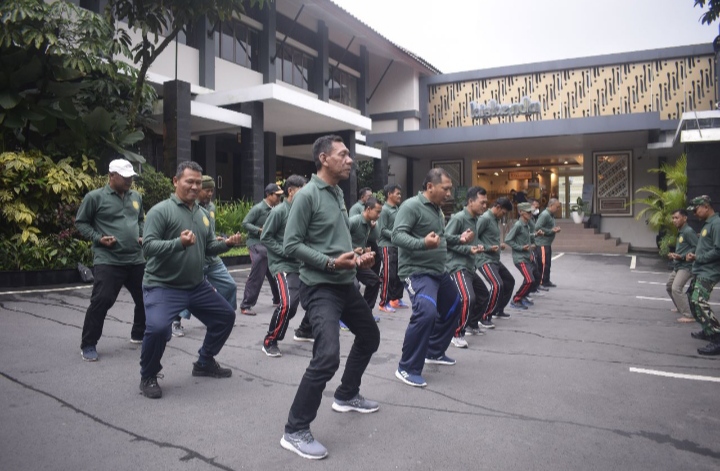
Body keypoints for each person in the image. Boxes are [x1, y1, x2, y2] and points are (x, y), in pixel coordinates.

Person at [280, 135, 380, 460]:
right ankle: (295, 430)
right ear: (324, 158)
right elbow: (291, 245)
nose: (350, 160)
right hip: (320, 287)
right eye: (343, 154)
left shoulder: (337, 192)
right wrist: (330, 263)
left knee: (369, 336)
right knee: (326, 356)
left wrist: (356, 256)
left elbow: (331, 240)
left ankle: (347, 394)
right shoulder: (307, 195)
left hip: (344, 283)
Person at [138, 161, 243, 399]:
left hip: (196, 286)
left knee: (225, 317)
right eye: (190, 182)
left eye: (198, 182)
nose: (195, 187)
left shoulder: (202, 214)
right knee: (158, 329)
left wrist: (227, 244)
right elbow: (148, 247)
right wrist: (179, 243)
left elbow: (208, 248)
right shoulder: (160, 211)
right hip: (163, 285)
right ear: (176, 181)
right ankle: (148, 375)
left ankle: (204, 362)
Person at [393, 168, 474, 388]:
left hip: (438, 271)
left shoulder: (437, 209)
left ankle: (434, 351)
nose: (449, 193)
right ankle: (407, 367)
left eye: (450, 189)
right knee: (426, 312)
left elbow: (441, 236)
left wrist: (460, 239)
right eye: (445, 189)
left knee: (454, 305)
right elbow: (397, 235)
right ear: (430, 187)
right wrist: (422, 243)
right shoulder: (411, 206)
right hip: (417, 272)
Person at [76, 159, 146, 361]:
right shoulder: (95, 197)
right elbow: (81, 223)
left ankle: (138, 333)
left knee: (146, 297)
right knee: (102, 300)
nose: (129, 181)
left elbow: (140, 219)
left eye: (131, 177)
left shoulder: (136, 197)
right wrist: (98, 238)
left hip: (135, 258)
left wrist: (142, 234)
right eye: (125, 177)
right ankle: (88, 344)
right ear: (111, 176)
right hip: (108, 259)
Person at [172, 175, 238, 337]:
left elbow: (209, 232)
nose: (210, 194)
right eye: (207, 190)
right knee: (188, 292)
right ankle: (175, 322)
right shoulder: (185, 208)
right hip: (194, 258)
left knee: (230, 285)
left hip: (212, 258)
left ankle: (225, 315)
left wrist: (221, 240)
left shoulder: (211, 208)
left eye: (212, 191)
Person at [261, 175, 313, 357]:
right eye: (303, 189)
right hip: (282, 265)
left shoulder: (303, 211)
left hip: (301, 265)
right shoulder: (279, 212)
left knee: (316, 298)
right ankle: (270, 341)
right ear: (291, 191)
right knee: (287, 305)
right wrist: (285, 251)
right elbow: (265, 237)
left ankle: (304, 330)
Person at [447, 186, 488, 349]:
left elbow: (470, 243)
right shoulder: (459, 218)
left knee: (483, 295)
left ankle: (471, 324)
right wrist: (467, 249)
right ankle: (456, 333)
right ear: (471, 202)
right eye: (482, 202)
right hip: (457, 266)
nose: (485, 206)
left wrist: (478, 247)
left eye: (486, 202)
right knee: (467, 298)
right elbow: (446, 241)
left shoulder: (476, 220)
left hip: (469, 266)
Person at [239, 183, 283, 315]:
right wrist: (259, 230)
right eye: (277, 195)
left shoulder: (277, 209)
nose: (279, 198)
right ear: (269, 195)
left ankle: (278, 299)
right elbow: (245, 223)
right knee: (259, 267)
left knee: (274, 269)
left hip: (268, 243)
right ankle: (246, 305)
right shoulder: (258, 208)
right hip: (255, 242)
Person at [685, 196, 720, 355]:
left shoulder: (716, 223)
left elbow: (718, 250)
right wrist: (694, 255)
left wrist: (699, 257)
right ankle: (708, 330)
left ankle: (717, 337)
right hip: (701, 269)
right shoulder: (708, 224)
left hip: (710, 271)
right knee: (692, 298)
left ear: (706, 206)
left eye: (696, 210)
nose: (695, 214)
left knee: (699, 301)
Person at [475, 197, 515, 326]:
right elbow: (473, 238)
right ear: (497, 207)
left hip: (494, 259)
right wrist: (488, 247)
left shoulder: (495, 219)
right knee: (497, 284)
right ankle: (484, 316)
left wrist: (498, 245)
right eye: (503, 212)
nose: (504, 215)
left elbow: (489, 238)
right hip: (484, 259)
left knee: (509, 281)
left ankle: (498, 309)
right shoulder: (485, 219)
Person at [348, 197, 383, 314]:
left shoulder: (369, 223)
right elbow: (339, 237)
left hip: (359, 261)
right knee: (354, 286)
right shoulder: (354, 221)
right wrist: (352, 250)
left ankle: (366, 313)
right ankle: (346, 316)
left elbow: (376, 236)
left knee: (375, 281)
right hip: (347, 261)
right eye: (377, 212)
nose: (379, 215)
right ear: (368, 209)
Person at [378, 183, 407, 313]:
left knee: (399, 274)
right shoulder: (384, 210)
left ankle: (395, 299)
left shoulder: (397, 209)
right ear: (389, 194)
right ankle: (383, 302)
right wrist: (397, 236)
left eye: (400, 193)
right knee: (388, 275)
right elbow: (382, 229)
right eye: (397, 193)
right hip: (387, 246)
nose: (400, 196)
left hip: (397, 246)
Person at [666, 209, 698, 324]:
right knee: (669, 286)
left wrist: (683, 256)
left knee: (676, 288)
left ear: (685, 218)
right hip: (678, 265)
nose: (674, 220)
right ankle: (680, 306)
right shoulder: (681, 231)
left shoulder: (688, 231)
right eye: (673, 218)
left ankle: (688, 315)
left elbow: (696, 247)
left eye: (677, 218)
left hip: (686, 266)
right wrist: (674, 255)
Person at [505, 202, 538, 310]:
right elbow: (508, 239)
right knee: (529, 279)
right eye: (528, 212)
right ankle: (516, 299)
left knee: (532, 278)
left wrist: (530, 247)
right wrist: (520, 247)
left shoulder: (526, 224)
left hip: (526, 256)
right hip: (520, 258)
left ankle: (522, 297)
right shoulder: (518, 225)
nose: (530, 214)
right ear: (521, 212)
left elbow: (526, 237)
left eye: (530, 212)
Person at [534, 198, 562, 288]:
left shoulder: (550, 215)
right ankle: (542, 281)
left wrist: (554, 229)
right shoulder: (545, 214)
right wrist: (551, 231)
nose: (558, 209)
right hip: (542, 242)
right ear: (551, 206)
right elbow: (537, 227)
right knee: (543, 263)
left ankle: (546, 280)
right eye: (557, 207)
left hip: (547, 242)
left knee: (547, 263)